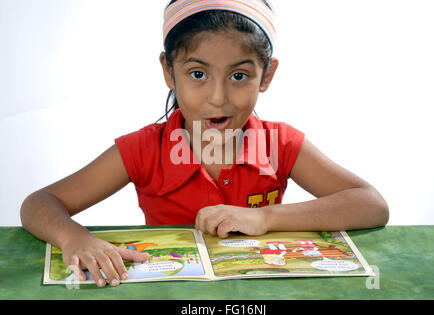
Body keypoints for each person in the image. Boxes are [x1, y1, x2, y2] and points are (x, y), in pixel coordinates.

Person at [20, 0, 389, 288]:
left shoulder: (281, 143)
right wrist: (75, 238)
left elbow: (370, 204)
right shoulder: (143, 149)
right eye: (197, 74)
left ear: (267, 75)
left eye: (239, 75)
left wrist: (265, 217)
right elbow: (40, 203)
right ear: (169, 71)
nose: (218, 97)